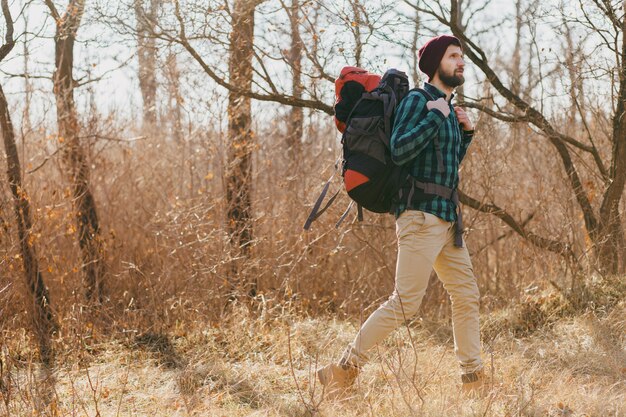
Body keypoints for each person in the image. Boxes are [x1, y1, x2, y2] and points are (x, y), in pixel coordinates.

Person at [318, 35, 484, 398]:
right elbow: (400, 150)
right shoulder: (417, 101)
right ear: (436, 64)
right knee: (406, 302)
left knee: (466, 296)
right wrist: (433, 117)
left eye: (461, 57)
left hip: (446, 220)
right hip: (419, 217)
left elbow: (447, 167)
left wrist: (466, 134)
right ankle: (343, 369)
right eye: (454, 56)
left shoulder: (448, 109)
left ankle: (474, 381)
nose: (461, 62)